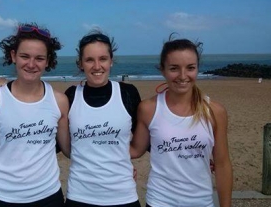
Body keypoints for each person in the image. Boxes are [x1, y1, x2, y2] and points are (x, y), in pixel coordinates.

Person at [130, 34, 233, 207]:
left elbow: (222, 164)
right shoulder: (148, 109)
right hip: (159, 201)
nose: (183, 75)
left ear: (197, 69)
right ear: (163, 70)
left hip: (201, 202)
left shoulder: (215, 112)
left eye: (190, 68)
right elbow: (135, 150)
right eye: (174, 68)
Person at [0, 22, 70, 207]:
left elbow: (69, 149)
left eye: (39, 58)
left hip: (49, 196)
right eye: (24, 56)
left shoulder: (59, 101)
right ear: (13, 56)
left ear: (48, 60)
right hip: (3, 197)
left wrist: (118, 163)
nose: (31, 64)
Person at [64, 30, 142, 207]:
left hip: (123, 196)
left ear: (111, 61)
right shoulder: (70, 96)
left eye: (103, 59)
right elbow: (63, 145)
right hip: (79, 196)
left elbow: (142, 144)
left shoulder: (127, 93)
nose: (97, 66)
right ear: (80, 64)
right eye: (90, 60)